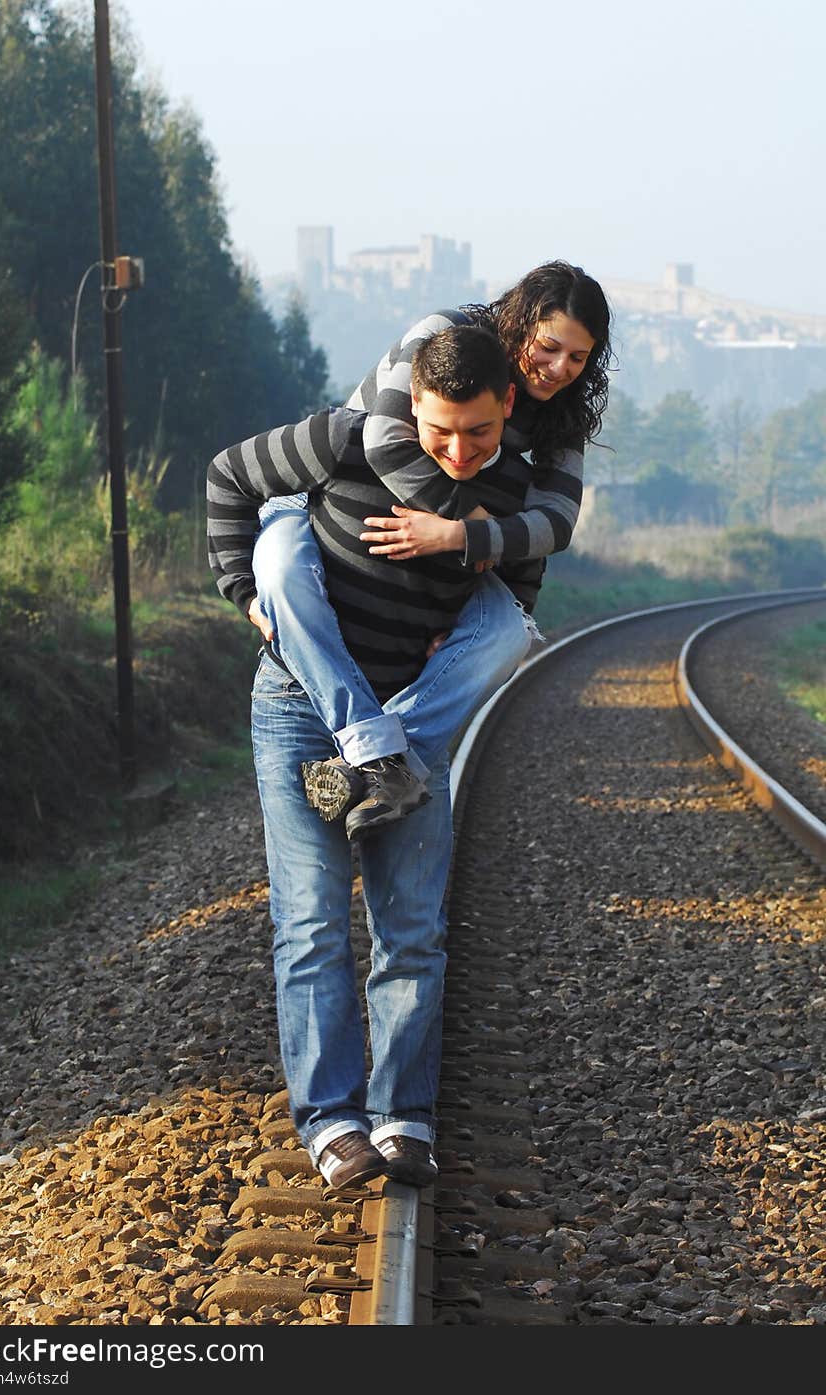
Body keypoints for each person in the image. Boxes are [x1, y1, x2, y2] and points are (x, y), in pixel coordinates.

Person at [207, 325, 544, 1189]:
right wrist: (245, 591)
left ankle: (402, 1117)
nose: (460, 450)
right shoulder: (345, 438)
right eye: (441, 431)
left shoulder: (513, 489)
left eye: (477, 430)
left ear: (507, 406)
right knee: (312, 921)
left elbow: (517, 598)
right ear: (410, 409)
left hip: (408, 718)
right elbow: (226, 477)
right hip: (299, 706)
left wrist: (463, 591)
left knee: (412, 929)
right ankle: (330, 1122)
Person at [248, 260, 612, 833]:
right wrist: (467, 515)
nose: (560, 368)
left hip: (445, 559)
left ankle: (370, 766)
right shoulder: (443, 334)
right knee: (281, 575)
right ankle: (376, 756)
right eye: (549, 347)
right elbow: (385, 440)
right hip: (324, 505)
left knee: (509, 636)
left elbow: (556, 523)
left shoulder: (561, 414)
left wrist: (459, 538)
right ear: (520, 323)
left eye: (578, 357)